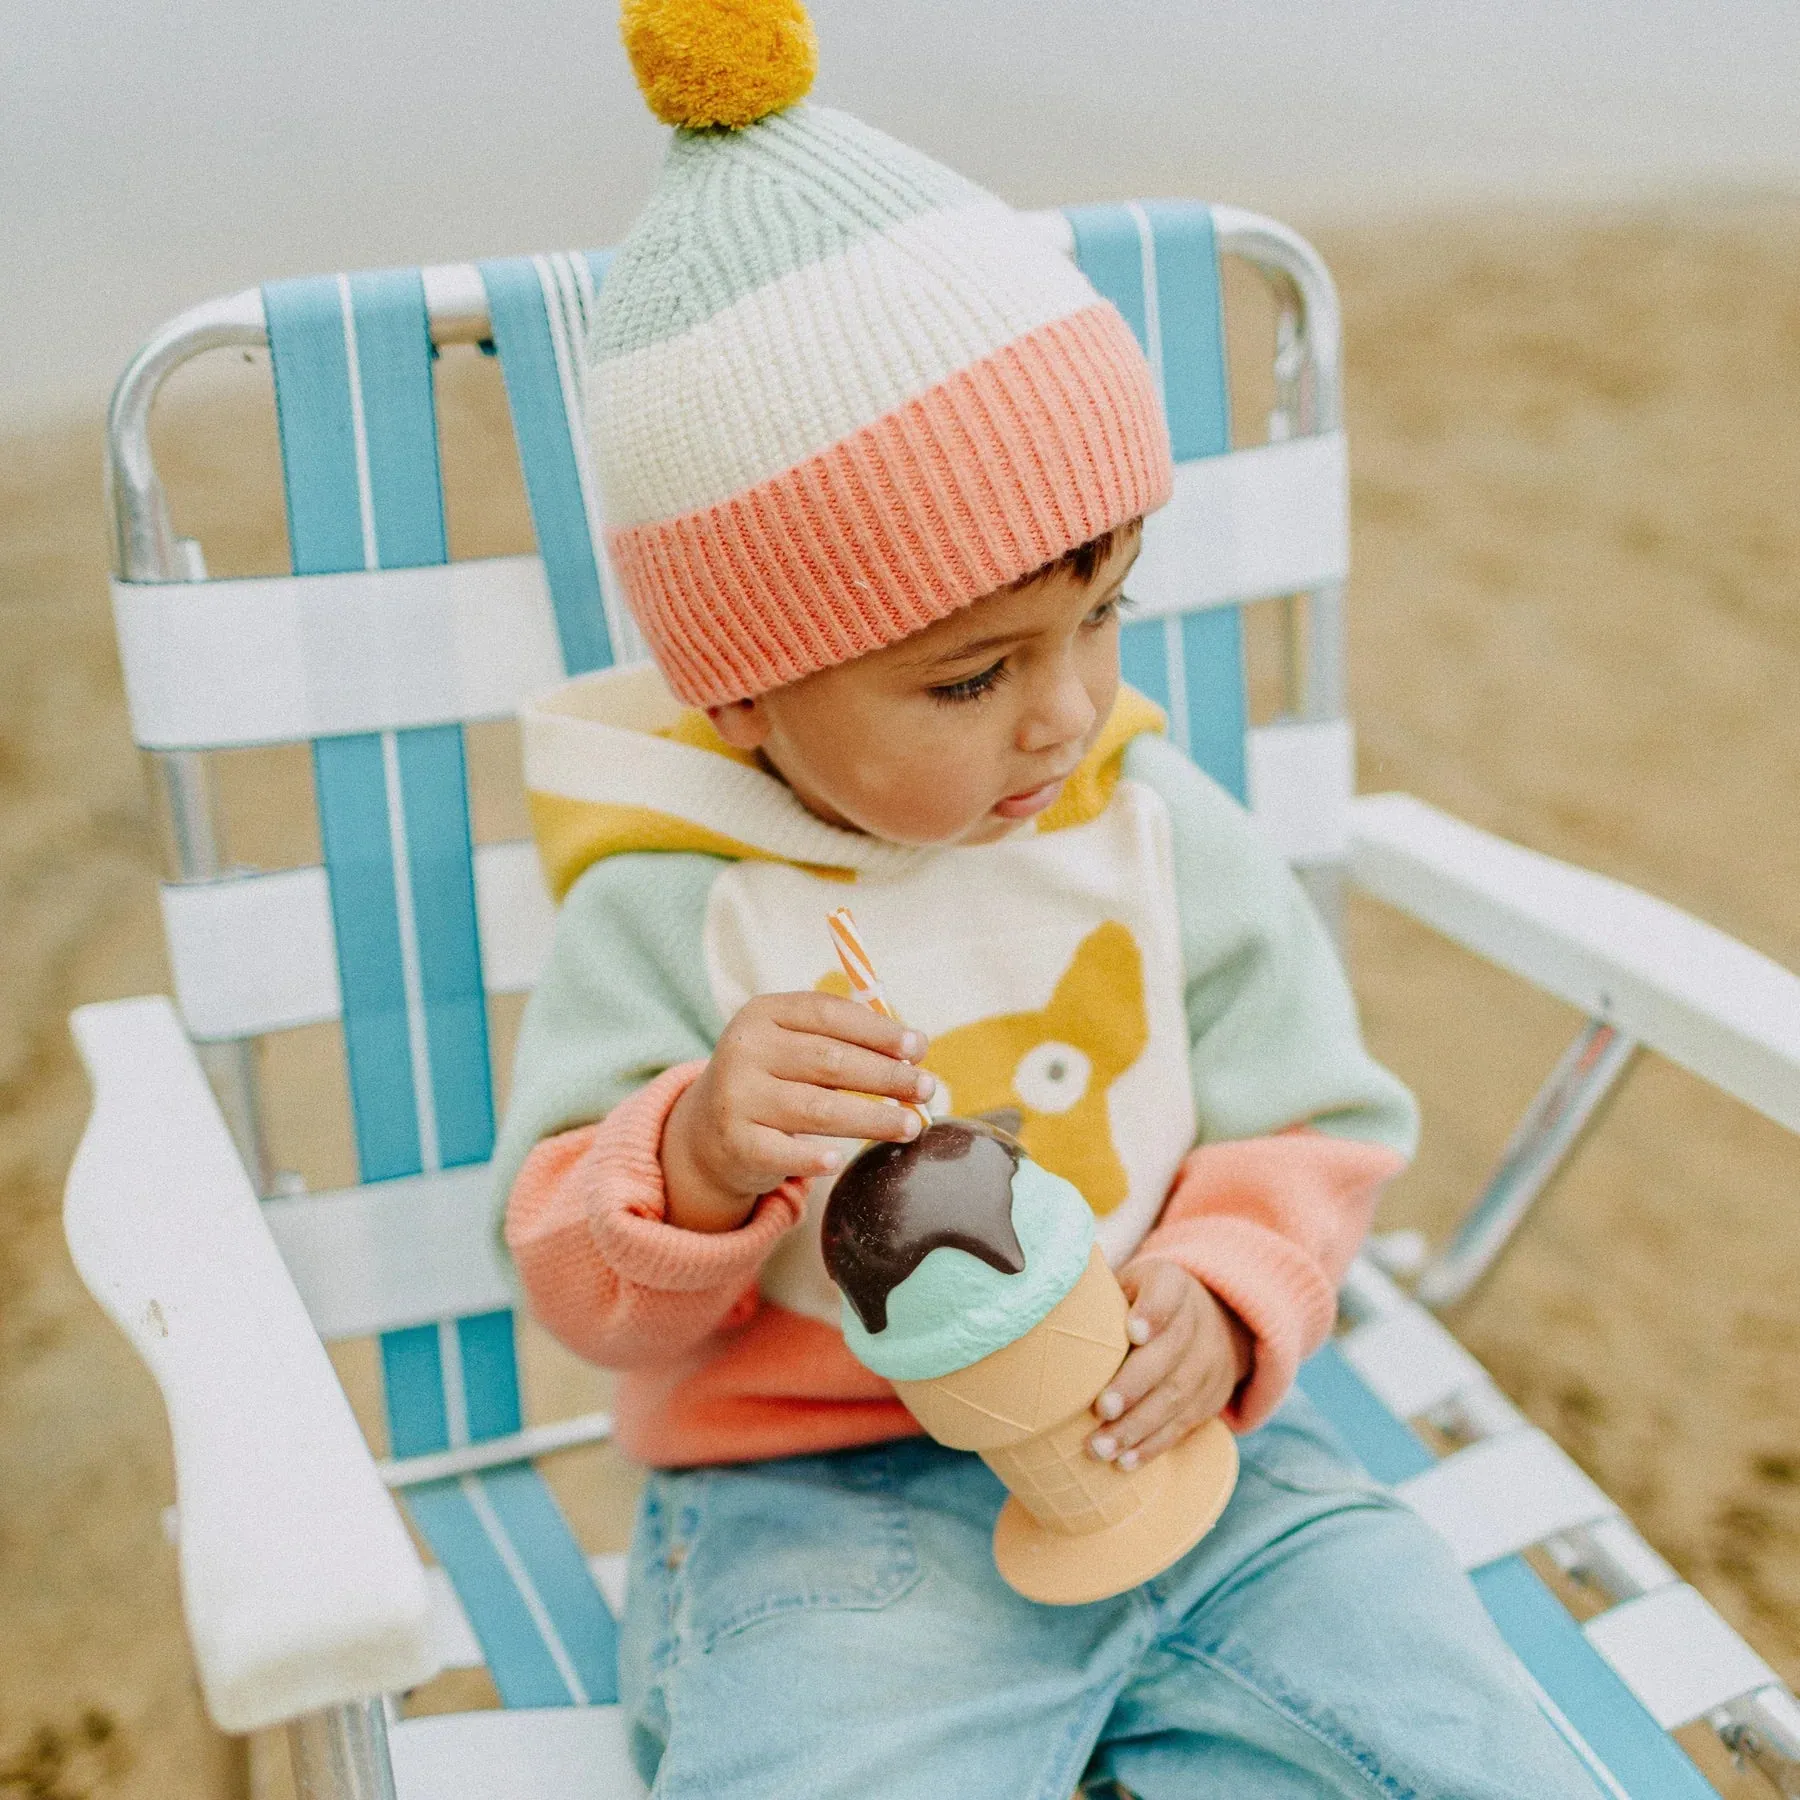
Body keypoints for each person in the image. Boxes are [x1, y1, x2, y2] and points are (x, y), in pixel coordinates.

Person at [492, 1, 1603, 1792]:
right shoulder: (674, 904)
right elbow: (577, 1280)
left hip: (1189, 1436)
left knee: (1462, 1736)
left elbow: (1311, 1119)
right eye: (968, 678)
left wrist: (1231, 1296)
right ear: (747, 689)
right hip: (831, 1501)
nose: (1067, 708)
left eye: (1103, 618)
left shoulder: (1149, 820)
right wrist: (695, 1154)